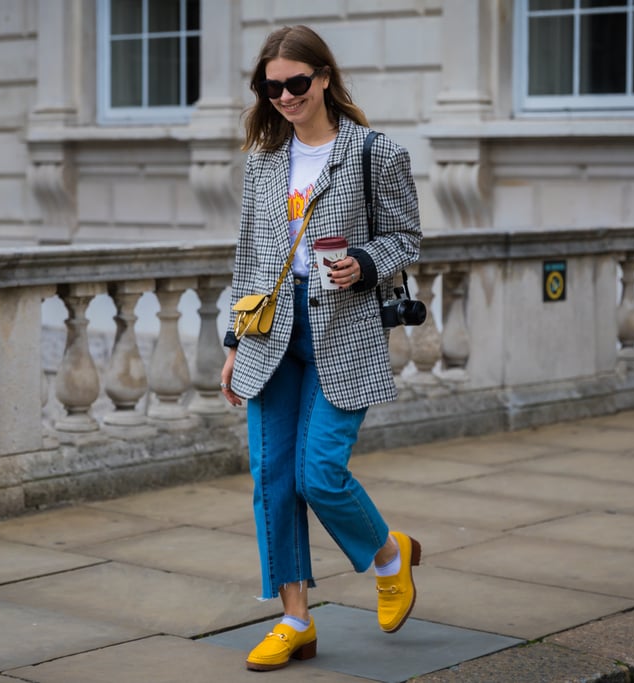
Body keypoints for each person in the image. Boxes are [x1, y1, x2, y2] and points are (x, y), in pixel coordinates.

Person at [219, 24, 424, 672]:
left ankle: (389, 555)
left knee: (319, 473)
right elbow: (249, 259)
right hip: (271, 335)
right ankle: (294, 619)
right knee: (272, 481)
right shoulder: (262, 161)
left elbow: (406, 236)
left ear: (325, 78)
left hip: (345, 332)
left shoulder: (374, 152)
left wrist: (362, 261)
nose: (284, 96)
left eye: (297, 83)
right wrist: (233, 342)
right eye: (271, 86)